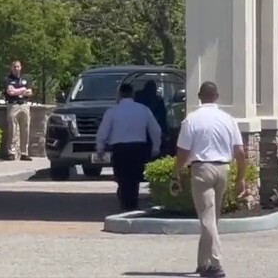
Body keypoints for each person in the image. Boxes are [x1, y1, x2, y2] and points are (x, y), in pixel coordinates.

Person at [173, 81, 247, 278]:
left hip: (202, 169)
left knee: (207, 218)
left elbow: (183, 151)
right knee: (212, 219)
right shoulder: (228, 119)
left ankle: (215, 264)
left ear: (199, 96)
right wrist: (241, 177)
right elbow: (240, 152)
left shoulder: (192, 120)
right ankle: (202, 263)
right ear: (217, 96)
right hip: (223, 168)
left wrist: (176, 173)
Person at [96, 82, 162, 211]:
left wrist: (100, 148)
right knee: (134, 179)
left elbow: (103, 131)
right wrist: (156, 147)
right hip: (138, 148)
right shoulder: (143, 110)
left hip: (120, 149)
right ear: (132, 94)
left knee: (122, 178)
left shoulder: (112, 112)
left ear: (120, 94)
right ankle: (132, 204)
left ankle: (125, 204)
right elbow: (156, 130)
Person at [3, 60, 33, 161]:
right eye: (14, 67)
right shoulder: (8, 79)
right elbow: (10, 92)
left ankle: (24, 153)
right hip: (13, 105)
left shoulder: (26, 79)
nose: (16, 69)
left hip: (24, 105)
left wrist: (18, 91)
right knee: (13, 130)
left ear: (21, 67)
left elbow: (29, 92)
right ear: (11, 68)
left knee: (25, 129)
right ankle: (11, 153)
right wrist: (22, 90)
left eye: (18, 67)